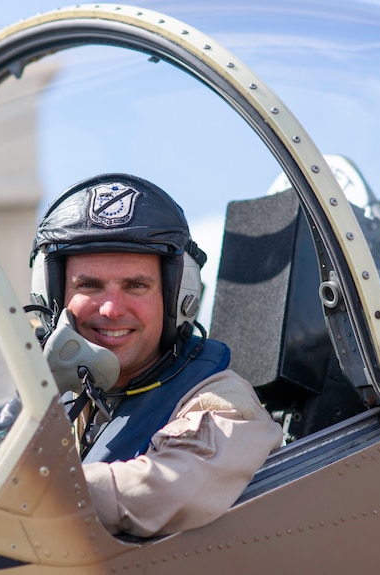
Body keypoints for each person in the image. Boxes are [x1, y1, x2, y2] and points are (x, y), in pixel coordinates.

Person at [29, 173, 283, 537]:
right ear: (52, 298)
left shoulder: (222, 403)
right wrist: (39, 396)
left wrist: (32, 490)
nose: (112, 309)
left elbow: (169, 486)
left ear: (178, 299)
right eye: (89, 285)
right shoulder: (66, 396)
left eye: (136, 286)